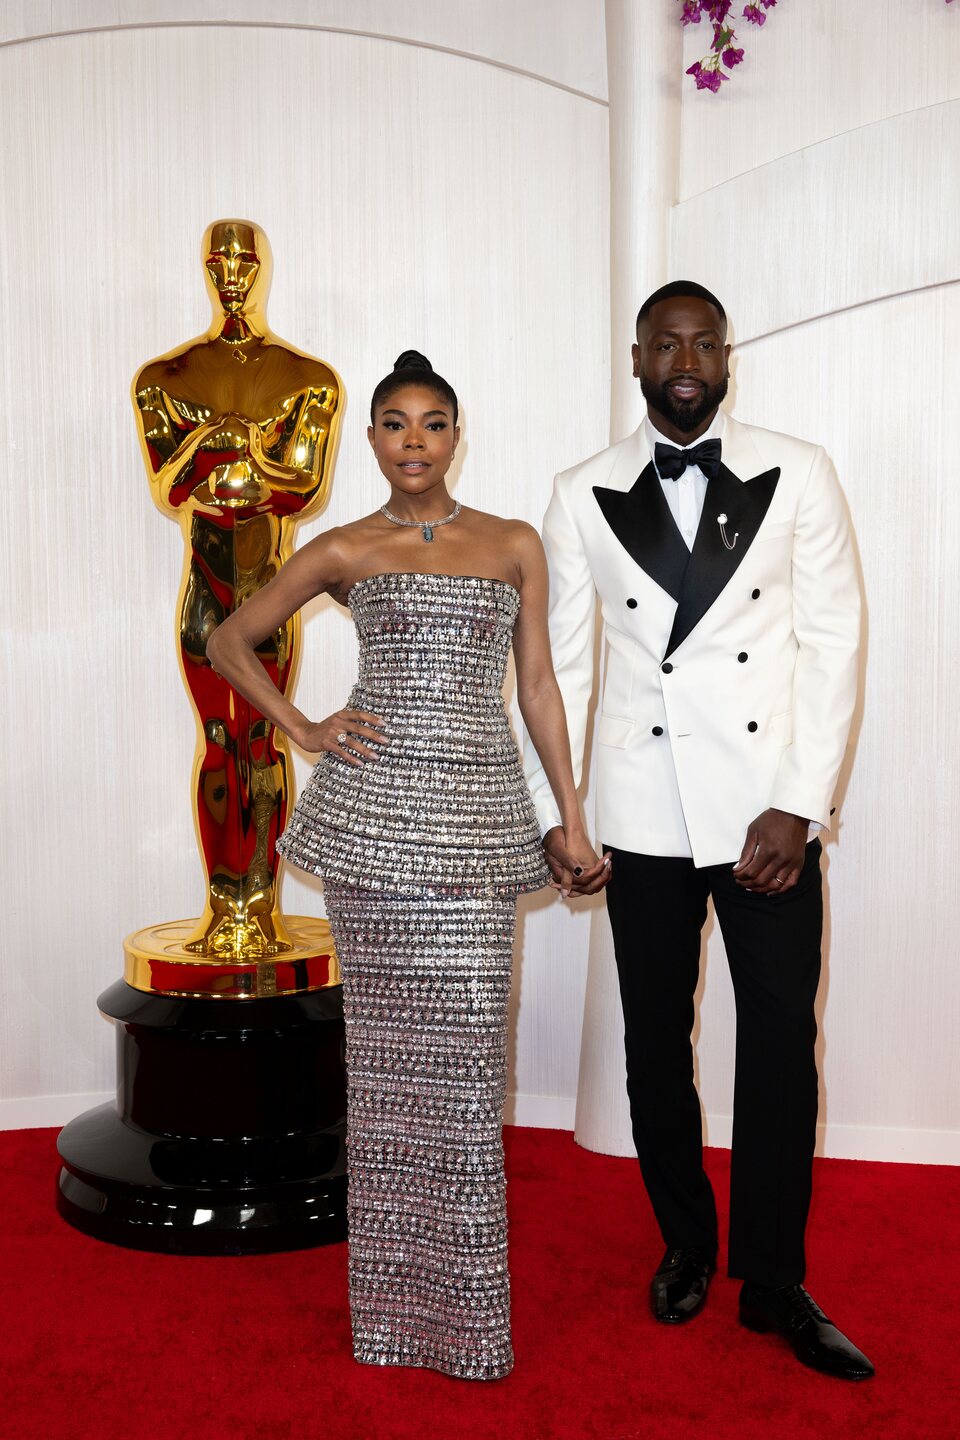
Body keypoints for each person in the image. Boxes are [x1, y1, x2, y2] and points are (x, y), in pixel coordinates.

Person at [207, 350, 609, 1379]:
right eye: (394, 423)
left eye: (433, 423)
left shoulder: (515, 543)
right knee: (385, 1076)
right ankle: (388, 1321)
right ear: (374, 439)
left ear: (456, 435)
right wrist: (304, 726)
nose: (414, 441)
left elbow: (540, 691)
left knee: (472, 1070)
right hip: (377, 835)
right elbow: (230, 639)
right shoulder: (341, 547)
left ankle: (467, 1323)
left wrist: (571, 819)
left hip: (477, 824)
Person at [523, 281, 874, 1380]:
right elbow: (557, 669)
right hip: (638, 814)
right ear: (635, 360)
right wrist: (559, 815)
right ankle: (686, 1241)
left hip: (764, 811)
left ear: (729, 357)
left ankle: (773, 1282)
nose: (686, 358)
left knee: (779, 1045)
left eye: (703, 342)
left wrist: (799, 800)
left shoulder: (799, 469)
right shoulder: (581, 492)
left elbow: (834, 638)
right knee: (652, 1046)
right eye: (664, 343)